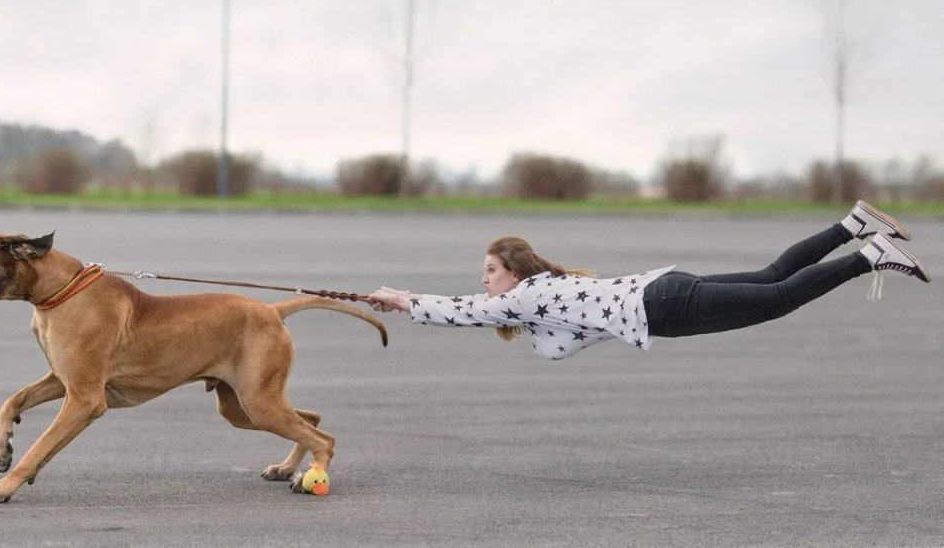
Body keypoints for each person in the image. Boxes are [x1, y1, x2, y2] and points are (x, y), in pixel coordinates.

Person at [367, 201, 931, 360]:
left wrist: (403, 301)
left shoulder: (527, 297)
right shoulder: (540, 300)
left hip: (664, 305)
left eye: (491, 271)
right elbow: (480, 309)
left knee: (778, 298)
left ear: (515, 273)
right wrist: (408, 300)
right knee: (772, 278)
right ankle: (855, 225)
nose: (484, 281)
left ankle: (870, 255)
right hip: (663, 295)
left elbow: (464, 311)